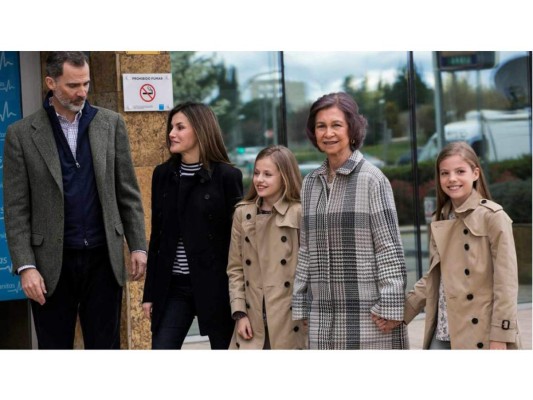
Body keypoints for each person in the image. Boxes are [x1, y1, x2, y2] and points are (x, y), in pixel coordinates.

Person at [3, 51, 147, 349]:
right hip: (50, 265)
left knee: (105, 348)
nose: (82, 92)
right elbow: (16, 208)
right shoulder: (21, 134)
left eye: (86, 84)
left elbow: (128, 192)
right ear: (51, 83)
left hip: (103, 260)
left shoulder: (111, 124)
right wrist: (26, 265)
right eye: (73, 85)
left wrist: (137, 245)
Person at [374, 141, 521, 349]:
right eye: (445, 173)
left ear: (475, 174)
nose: (452, 179)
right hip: (443, 327)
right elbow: (435, 275)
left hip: (481, 331)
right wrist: (403, 311)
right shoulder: (440, 218)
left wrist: (501, 335)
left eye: (460, 171)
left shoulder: (494, 218)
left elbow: (506, 284)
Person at [292, 92, 408, 349]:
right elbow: (306, 251)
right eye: (321, 126)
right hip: (323, 316)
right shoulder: (310, 183)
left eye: (336, 125)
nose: (328, 133)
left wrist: (390, 304)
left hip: (370, 315)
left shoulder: (372, 179)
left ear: (352, 129)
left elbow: (389, 248)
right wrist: (301, 302)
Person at [142, 102, 243, 349]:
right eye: (171, 127)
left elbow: (238, 241)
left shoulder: (227, 176)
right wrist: (150, 294)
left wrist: (240, 300)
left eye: (180, 127)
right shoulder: (162, 174)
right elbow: (157, 237)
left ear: (200, 130)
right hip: (174, 286)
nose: (171, 134)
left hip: (216, 285)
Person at [227, 145, 307, 349]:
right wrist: (240, 313)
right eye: (256, 173)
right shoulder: (243, 213)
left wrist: (308, 310)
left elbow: (311, 268)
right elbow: (235, 269)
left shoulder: (300, 213)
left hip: (290, 319)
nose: (259, 179)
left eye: (267, 174)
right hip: (252, 319)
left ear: (285, 176)